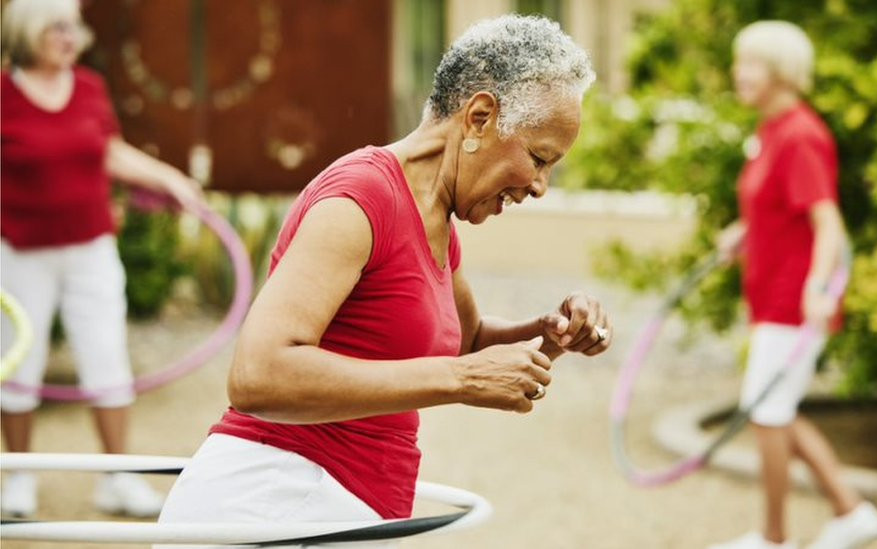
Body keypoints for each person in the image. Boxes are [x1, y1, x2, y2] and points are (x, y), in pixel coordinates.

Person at [155, 13, 606, 548]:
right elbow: (258, 374)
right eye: (539, 158)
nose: (540, 186)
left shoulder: (437, 219)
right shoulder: (360, 199)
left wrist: (547, 332)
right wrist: (460, 380)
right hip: (270, 503)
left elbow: (464, 342)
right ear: (480, 117)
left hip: (333, 512)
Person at [0, 0, 203, 518]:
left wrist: (170, 180)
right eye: (58, 28)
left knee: (106, 358)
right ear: (29, 33)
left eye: (74, 27)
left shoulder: (89, 87)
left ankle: (119, 477)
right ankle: (17, 479)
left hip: (90, 249)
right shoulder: (5, 94)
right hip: (20, 251)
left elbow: (108, 150)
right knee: (20, 365)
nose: (72, 37)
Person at [709, 21, 877, 549]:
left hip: (793, 306)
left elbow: (828, 223)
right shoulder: (770, 132)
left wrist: (816, 287)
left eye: (750, 64)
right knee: (777, 412)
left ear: (781, 72)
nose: (738, 74)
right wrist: (744, 232)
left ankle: (774, 538)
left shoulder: (801, 135)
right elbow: (780, 210)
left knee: (767, 414)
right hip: (771, 301)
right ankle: (851, 512)